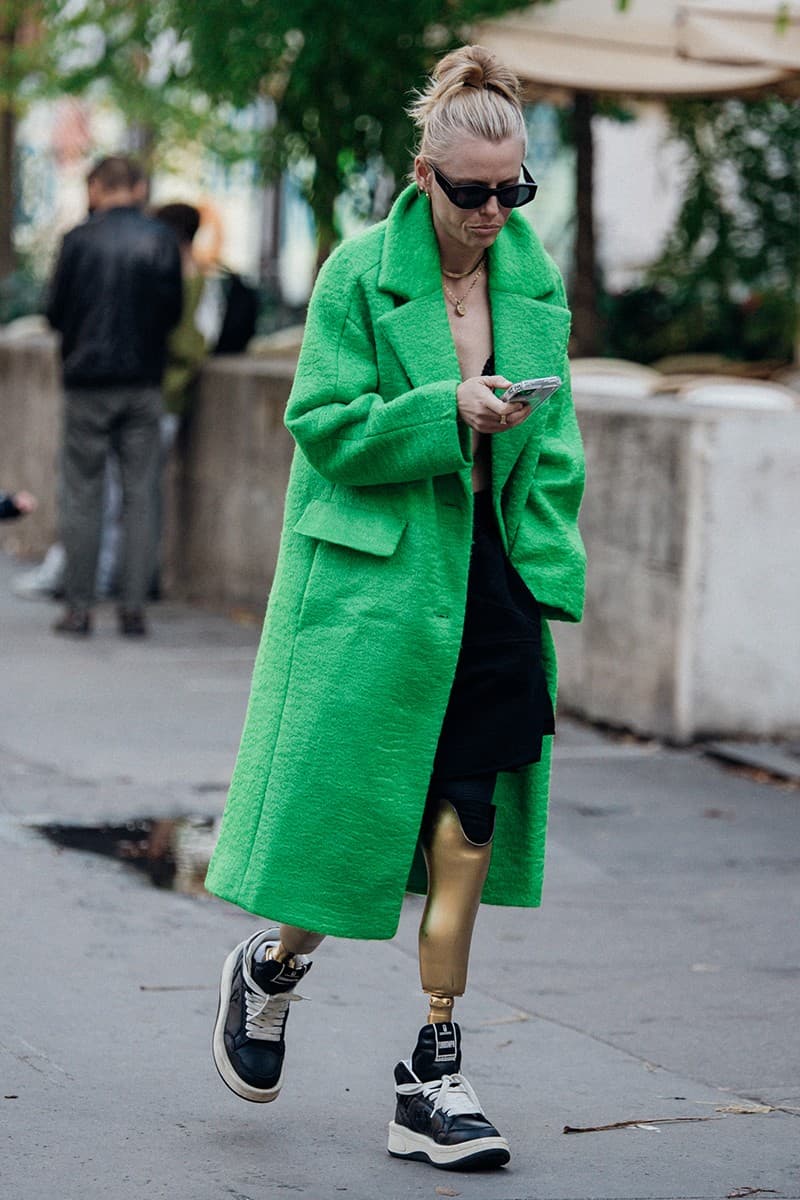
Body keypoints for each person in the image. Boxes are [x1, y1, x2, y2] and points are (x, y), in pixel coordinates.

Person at [206, 45, 586, 1172]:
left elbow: (558, 447)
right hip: (377, 584)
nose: (491, 211)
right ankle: (272, 968)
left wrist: (543, 560)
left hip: (488, 581)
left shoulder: (531, 278)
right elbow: (321, 423)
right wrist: (444, 411)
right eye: (469, 191)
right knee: (359, 814)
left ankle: (432, 1072)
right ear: (422, 175)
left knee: (465, 823)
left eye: (511, 189)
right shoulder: (355, 274)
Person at [46, 155, 183, 636]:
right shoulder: (162, 240)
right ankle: (133, 606)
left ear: (97, 188)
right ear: (140, 187)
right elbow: (173, 313)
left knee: (82, 493)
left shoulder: (77, 241)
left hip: (86, 384)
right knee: (141, 492)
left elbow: (55, 311)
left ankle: (79, 606)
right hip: (143, 383)